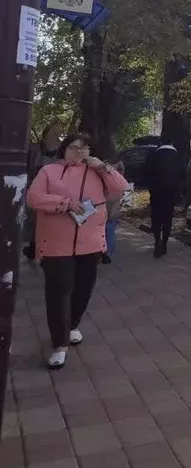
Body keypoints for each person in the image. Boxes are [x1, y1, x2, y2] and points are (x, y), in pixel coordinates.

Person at [26, 132, 127, 369]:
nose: (79, 152)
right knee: (59, 292)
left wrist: (103, 167)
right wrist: (64, 203)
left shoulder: (98, 172)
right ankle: (59, 345)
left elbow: (120, 188)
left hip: (90, 244)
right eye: (74, 147)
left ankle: (71, 326)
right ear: (64, 149)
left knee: (83, 289)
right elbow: (33, 198)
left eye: (84, 148)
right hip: (56, 244)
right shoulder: (49, 171)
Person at [23, 121, 63, 262]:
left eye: (58, 131)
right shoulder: (35, 148)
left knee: (50, 223)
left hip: (54, 192)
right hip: (36, 189)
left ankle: (46, 254)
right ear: (47, 133)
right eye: (54, 130)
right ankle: (34, 248)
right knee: (35, 222)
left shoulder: (63, 151)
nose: (57, 134)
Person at [145, 136, 186, 258]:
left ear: (160, 143)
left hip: (156, 193)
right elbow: (184, 176)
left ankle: (157, 240)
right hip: (171, 193)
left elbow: (146, 173)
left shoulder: (153, 156)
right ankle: (165, 244)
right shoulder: (178, 157)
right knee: (168, 218)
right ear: (172, 142)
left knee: (156, 217)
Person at [102, 161, 132, 265]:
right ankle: (108, 253)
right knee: (110, 228)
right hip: (114, 197)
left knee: (101, 228)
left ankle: (100, 251)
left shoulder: (96, 161)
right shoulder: (117, 162)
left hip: (102, 197)